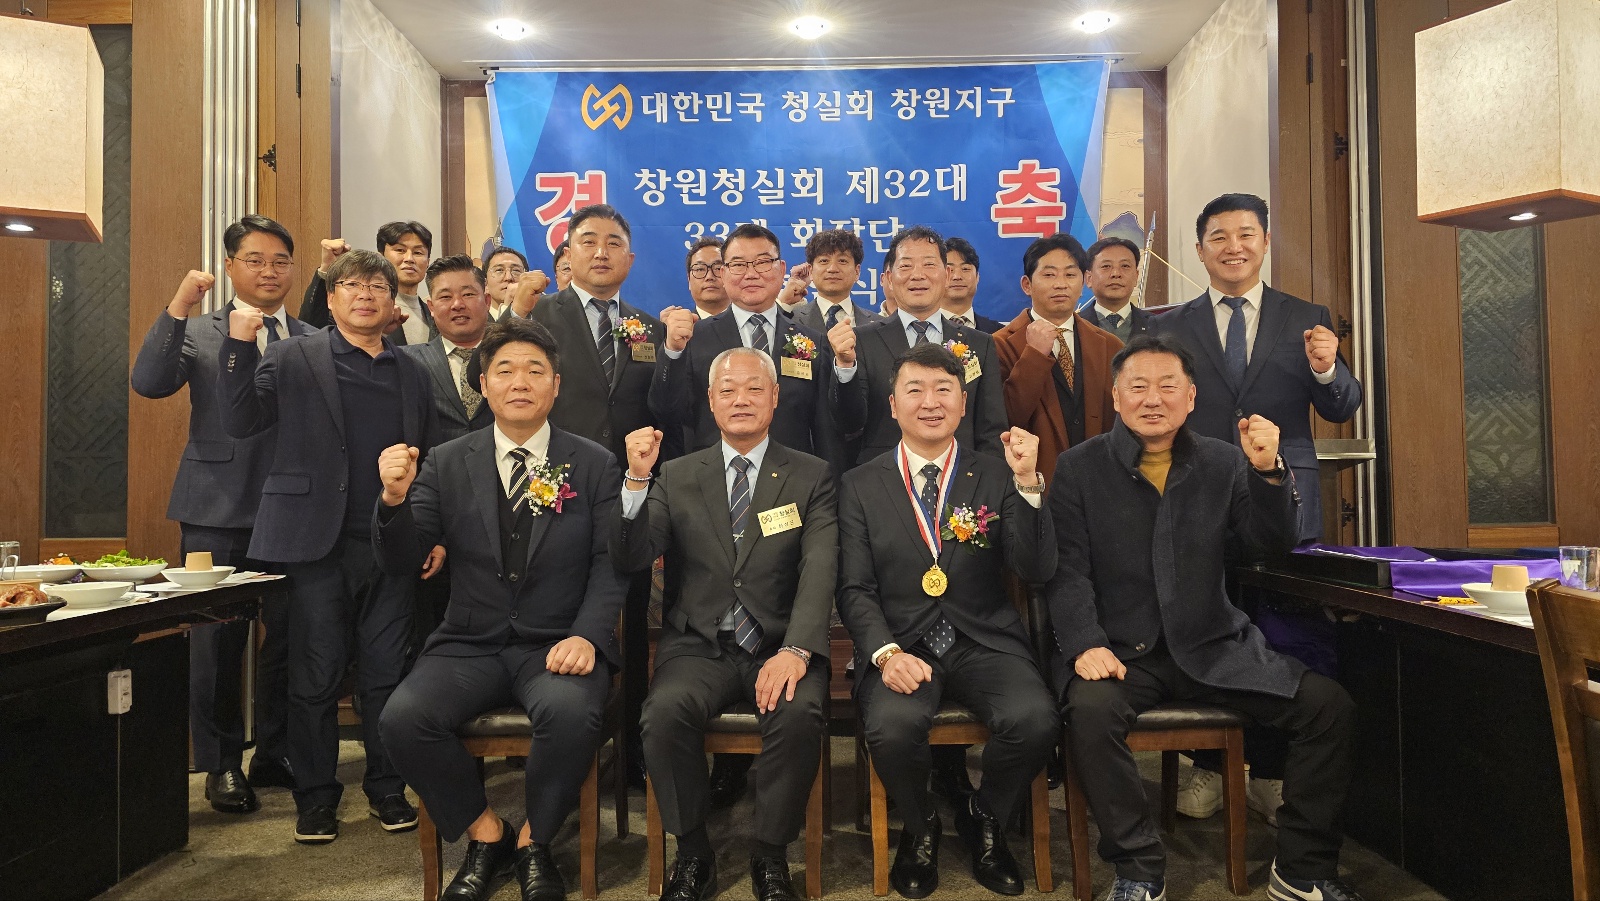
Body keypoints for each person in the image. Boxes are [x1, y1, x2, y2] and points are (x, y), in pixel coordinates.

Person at [1047, 334, 1360, 901]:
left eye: (1168, 386)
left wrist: (1267, 472)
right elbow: (1068, 572)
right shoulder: (1078, 467)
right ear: (1116, 397)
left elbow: (1267, 545)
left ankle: (1302, 870)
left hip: (1213, 646)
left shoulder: (1223, 460)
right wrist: (1085, 643)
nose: (1153, 398)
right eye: (1138, 386)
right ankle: (1139, 870)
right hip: (1121, 651)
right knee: (1090, 711)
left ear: (1190, 397)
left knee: (1328, 706)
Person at [377, 316, 627, 901]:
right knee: (402, 719)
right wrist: (392, 500)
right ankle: (487, 834)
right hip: (469, 642)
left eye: (535, 371)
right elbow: (403, 560)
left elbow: (610, 563)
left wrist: (588, 636)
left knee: (571, 714)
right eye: (505, 370)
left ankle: (535, 841)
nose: (520, 382)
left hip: (557, 643)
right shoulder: (445, 461)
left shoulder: (593, 463)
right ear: (484, 385)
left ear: (555, 386)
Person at [1151, 193, 1363, 823]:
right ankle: (1207, 765)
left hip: (1283, 492)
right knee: (1205, 619)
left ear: (1266, 242)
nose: (1233, 247)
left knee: (1283, 625)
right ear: (1199, 250)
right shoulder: (1172, 325)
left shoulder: (1306, 318)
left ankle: (1272, 767)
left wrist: (1325, 369)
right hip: (1199, 493)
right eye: (1219, 236)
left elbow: (1342, 406)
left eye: (1246, 234)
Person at [218, 248, 440, 844]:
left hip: (389, 542)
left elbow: (430, 460)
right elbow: (240, 422)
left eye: (377, 286)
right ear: (333, 296)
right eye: (352, 285)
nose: (365, 294)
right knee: (314, 675)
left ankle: (387, 788)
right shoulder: (292, 355)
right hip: (314, 543)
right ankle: (315, 797)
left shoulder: (412, 369)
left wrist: (431, 533)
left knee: (387, 673)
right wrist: (238, 346)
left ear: (393, 302)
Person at [838, 343, 1059, 899]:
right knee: (892, 729)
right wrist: (884, 653)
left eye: (944, 390)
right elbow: (855, 588)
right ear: (893, 405)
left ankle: (985, 819)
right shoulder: (860, 484)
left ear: (963, 402)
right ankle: (921, 827)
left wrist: (1030, 485)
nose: (930, 402)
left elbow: (1034, 568)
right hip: (902, 643)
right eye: (915, 390)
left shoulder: (998, 473)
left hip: (984, 638)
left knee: (1035, 719)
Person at [615, 348, 837, 901]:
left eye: (754, 388)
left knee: (799, 714)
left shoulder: (811, 474)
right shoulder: (675, 474)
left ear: (775, 397)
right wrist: (636, 482)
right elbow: (634, 555)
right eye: (728, 390)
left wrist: (797, 651)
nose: (741, 400)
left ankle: (770, 854)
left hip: (781, 644)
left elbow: (820, 568)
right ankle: (693, 852)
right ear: (711, 401)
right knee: (663, 714)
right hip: (699, 645)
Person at [131, 214, 311, 814]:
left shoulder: (309, 336)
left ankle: (275, 752)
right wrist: (179, 304)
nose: (269, 271)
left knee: (289, 639)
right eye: (254, 259)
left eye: (280, 261)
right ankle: (221, 764)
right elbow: (149, 382)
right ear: (230, 266)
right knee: (216, 644)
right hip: (214, 507)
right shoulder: (199, 330)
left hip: (292, 511)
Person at [529, 202, 665, 790]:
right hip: (557, 486)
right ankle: (563, 748)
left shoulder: (647, 327)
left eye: (614, 242)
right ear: (568, 253)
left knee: (631, 620)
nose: (602, 252)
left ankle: (632, 750)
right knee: (559, 612)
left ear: (630, 258)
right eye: (589, 241)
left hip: (630, 492)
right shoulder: (539, 318)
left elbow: (657, 409)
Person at [653, 222, 846, 467]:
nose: (751, 273)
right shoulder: (693, 338)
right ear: (724, 273)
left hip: (793, 477)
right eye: (738, 264)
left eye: (763, 262)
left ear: (781, 269)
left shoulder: (812, 341)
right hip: (714, 477)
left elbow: (826, 429)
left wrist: (826, 481)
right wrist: (672, 352)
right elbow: (666, 411)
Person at [832, 226, 1006, 466]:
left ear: (946, 275)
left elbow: (991, 430)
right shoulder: (861, 341)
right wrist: (844, 366)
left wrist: (985, 481)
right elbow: (849, 424)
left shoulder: (979, 343)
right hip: (884, 477)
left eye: (929, 264)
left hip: (962, 476)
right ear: (889, 278)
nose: (917, 275)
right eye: (906, 266)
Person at [993, 233, 1123, 487]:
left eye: (1070, 274)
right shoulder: (1000, 344)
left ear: (1084, 281)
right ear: (1027, 285)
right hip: (1033, 483)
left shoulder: (1110, 345)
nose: (1061, 284)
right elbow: (1006, 419)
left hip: (1099, 482)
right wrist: (1034, 355)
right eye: (1049, 275)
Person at [299, 222, 438, 346]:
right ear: (381, 257)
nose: (409, 259)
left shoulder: (435, 312)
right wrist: (326, 269)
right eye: (400, 250)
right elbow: (309, 329)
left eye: (418, 252)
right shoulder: (360, 306)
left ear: (428, 262)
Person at [405, 255, 495, 444]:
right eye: (446, 297)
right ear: (431, 307)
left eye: (468, 294)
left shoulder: (509, 356)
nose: (457, 305)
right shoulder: (408, 361)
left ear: (487, 301)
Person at [788, 229, 876, 333]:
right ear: (811, 271)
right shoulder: (789, 319)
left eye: (842, 261)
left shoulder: (878, 325)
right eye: (824, 261)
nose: (832, 269)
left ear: (857, 272)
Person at [1079, 237, 1153, 344]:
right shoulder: (1074, 326)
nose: (1116, 274)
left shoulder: (1157, 325)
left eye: (1125, 266)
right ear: (1089, 278)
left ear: (1136, 277)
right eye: (1106, 266)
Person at [941, 237, 1005, 334]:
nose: (957, 276)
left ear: (977, 277)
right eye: (949, 270)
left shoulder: (999, 333)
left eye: (965, 269)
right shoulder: (921, 331)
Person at [482, 246, 549, 322]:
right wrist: (511, 310)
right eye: (499, 270)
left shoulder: (545, 317)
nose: (508, 277)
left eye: (516, 271)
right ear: (485, 284)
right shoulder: (477, 320)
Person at [684, 236, 732, 319]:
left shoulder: (752, 325)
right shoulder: (676, 326)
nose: (709, 277)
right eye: (700, 269)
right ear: (689, 280)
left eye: (718, 268)